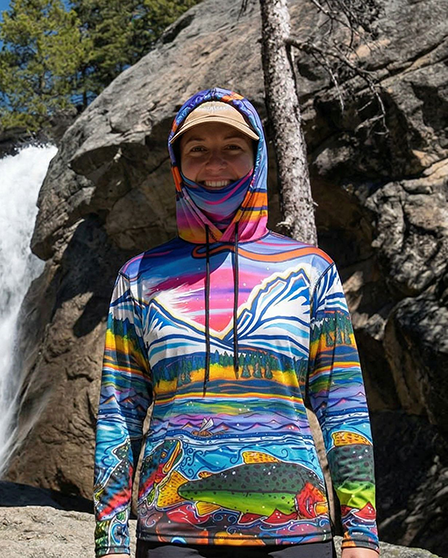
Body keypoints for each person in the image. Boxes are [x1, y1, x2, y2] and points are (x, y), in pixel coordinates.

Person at [93, 88, 379, 558]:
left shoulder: (311, 270)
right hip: (171, 539)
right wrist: (111, 541)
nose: (215, 164)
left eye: (233, 148)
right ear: (178, 165)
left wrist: (361, 537)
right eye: (198, 150)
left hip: (295, 536)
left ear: (258, 158)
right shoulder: (138, 276)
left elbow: (344, 408)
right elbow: (119, 416)